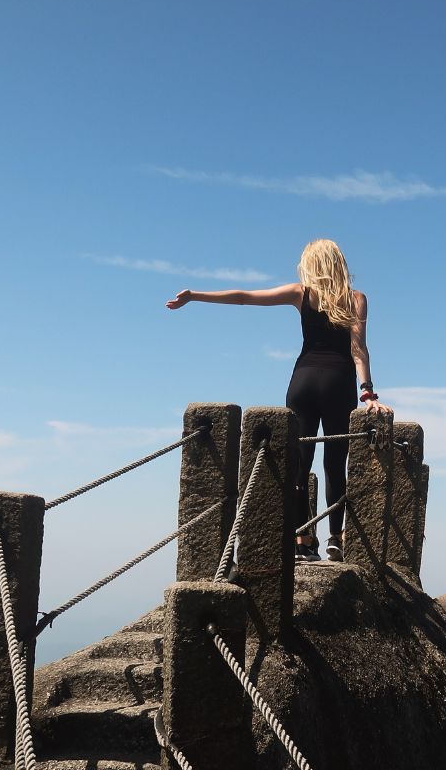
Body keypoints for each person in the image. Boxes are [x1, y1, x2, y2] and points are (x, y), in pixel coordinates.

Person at [166, 238, 390, 562]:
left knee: (298, 464)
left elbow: (245, 297)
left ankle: (303, 540)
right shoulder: (356, 299)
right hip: (339, 382)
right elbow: (359, 349)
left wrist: (195, 296)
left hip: (303, 382)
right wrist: (368, 392)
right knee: (334, 464)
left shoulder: (301, 293)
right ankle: (336, 541)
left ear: (310, 265)